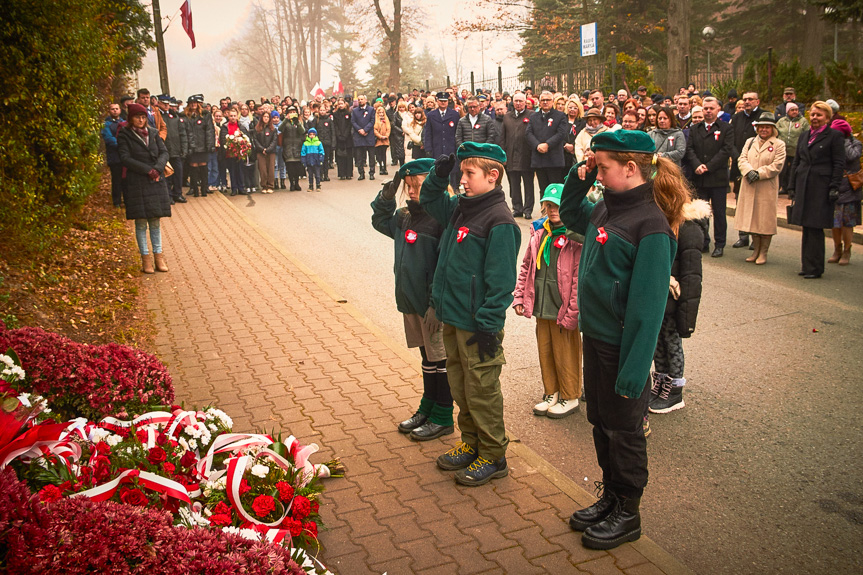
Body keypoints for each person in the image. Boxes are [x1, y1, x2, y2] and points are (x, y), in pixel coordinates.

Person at [560, 130, 688, 550]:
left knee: (625, 430)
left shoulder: (650, 225)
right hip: (596, 338)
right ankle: (611, 497)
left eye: (602, 167)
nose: (597, 174)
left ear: (630, 168)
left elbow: (648, 310)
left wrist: (636, 374)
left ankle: (628, 513)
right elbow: (571, 217)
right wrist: (579, 180)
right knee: (600, 421)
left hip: (623, 347)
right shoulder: (605, 208)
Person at [420, 142, 520, 487]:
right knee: (461, 387)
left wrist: (489, 326)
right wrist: (437, 175)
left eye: (468, 173)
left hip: (479, 326)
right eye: (461, 172)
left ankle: (493, 455)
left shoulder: (499, 220)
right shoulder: (461, 208)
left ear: (493, 176)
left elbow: (502, 281)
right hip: (455, 319)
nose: (462, 179)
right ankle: (472, 443)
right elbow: (430, 201)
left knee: (482, 390)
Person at [371, 159, 454, 441]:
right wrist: (386, 195)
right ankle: (428, 406)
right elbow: (379, 221)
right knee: (426, 357)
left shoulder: (440, 219)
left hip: (432, 306)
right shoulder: (405, 215)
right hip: (411, 302)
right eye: (408, 187)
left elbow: (444, 267)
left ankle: (443, 416)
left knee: (440, 359)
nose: (412, 191)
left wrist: (435, 304)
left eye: (417, 185)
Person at [513, 183, 583, 419]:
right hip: (542, 304)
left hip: (562, 306)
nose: (553, 211)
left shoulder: (575, 236)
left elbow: (577, 278)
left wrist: (573, 310)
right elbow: (526, 267)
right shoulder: (539, 233)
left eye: (558, 206)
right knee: (546, 350)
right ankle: (551, 392)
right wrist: (520, 295)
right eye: (549, 205)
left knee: (566, 353)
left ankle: (570, 394)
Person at [649, 197, 709, 415]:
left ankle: (675, 391)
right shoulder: (662, 222)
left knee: (672, 342)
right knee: (658, 341)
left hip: (674, 299)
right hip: (659, 295)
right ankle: (661, 382)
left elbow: (692, 275)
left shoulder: (689, 228)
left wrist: (686, 312)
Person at [788, 101, 846, 279]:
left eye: (819, 115)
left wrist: (834, 186)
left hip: (821, 187)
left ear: (827, 118)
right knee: (806, 227)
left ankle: (815, 268)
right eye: (813, 114)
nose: (815, 118)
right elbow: (797, 162)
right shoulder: (805, 135)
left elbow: (838, 163)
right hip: (804, 185)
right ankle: (807, 265)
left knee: (815, 227)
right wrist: (792, 185)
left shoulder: (834, 136)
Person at [117, 103, 172, 274]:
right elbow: (125, 158)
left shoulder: (154, 133)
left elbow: (164, 152)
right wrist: (147, 170)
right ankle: (145, 259)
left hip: (156, 180)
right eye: (137, 117)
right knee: (141, 223)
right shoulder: (125, 134)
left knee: (155, 221)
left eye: (143, 117)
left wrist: (157, 168)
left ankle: (159, 257)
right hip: (137, 181)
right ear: (131, 118)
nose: (141, 120)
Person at [685, 97, 734, 257]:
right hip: (699, 177)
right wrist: (697, 165)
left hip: (717, 177)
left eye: (711, 108)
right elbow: (690, 149)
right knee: (700, 212)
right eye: (705, 108)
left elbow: (726, 150)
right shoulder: (695, 129)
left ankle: (719, 244)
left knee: (719, 212)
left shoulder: (726, 128)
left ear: (718, 109)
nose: (708, 111)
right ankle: (703, 241)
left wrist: (709, 166)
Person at [735, 113, 786, 264]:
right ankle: (755, 250)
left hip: (766, 187)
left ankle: (763, 252)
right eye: (761, 127)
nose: (764, 130)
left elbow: (777, 165)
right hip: (749, 185)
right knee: (753, 220)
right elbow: (742, 158)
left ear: (773, 129)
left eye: (767, 127)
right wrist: (748, 171)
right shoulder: (750, 141)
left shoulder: (779, 144)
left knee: (765, 221)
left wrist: (758, 173)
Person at [729, 92, 765, 249]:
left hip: (758, 167)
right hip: (739, 165)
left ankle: (756, 236)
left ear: (757, 101)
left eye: (750, 99)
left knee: (757, 203)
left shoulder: (764, 116)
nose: (747, 102)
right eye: (745, 99)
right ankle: (743, 236)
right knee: (740, 201)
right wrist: (738, 158)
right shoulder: (737, 118)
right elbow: (729, 141)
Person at [827, 119, 861, 266]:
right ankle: (837, 249)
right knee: (834, 221)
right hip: (835, 185)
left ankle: (847, 249)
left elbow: (852, 156)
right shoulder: (831, 142)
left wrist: (845, 140)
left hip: (851, 187)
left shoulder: (856, 144)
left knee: (847, 222)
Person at [526, 90, 570, 201]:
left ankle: (557, 214)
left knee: (555, 189)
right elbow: (528, 133)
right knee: (543, 189)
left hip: (554, 159)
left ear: (552, 101)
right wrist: (537, 145)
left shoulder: (561, 116)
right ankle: (544, 213)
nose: (545, 102)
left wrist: (547, 145)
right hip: (539, 158)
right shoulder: (533, 116)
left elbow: (561, 133)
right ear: (539, 102)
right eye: (543, 100)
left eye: (548, 100)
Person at [500, 92, 536, 219]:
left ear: (525, 102)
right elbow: (502, 137)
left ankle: (528, 209)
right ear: (512, 102)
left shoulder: (532, 115)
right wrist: (503, 154)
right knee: (514, 184)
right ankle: (517, 207)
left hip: (526, 156)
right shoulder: (507, 117)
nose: (518, 103)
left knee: (528, 184)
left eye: (521, 101)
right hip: (511, 156)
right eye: (516, 101)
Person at [423, 92, 461, 189]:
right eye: (441, 101)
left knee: (452, 173)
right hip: (437, 148)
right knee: (438, 172)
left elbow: (458, 132)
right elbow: (428, 133)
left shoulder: (455, 115)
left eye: (445, 101)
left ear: (448, 102)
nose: (443, 103)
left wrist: (458, 148)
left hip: (451, 148)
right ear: (437, 101)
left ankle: (452, 193)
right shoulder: (431, 115)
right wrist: (428, 148)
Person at [183, 95, 213, 198]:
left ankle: (204, 189)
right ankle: (195, 190)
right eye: (191, 103)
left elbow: (209, 131)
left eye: (195, 103)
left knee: (203, 167)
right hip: (191, 146)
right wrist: (188, 147)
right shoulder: (185, 116)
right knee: (193, 168)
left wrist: (210, 145)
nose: (193, 105)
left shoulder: (205, 115)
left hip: (203, 145)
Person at [159, 97, 189, 204]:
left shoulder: (175, 117)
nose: (167, 106)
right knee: (167, 175)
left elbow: (183, 135)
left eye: (169, 104)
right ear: (159, 103)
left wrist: (184, 150)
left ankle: (178, 194)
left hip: (176, 151)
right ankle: (168, 196)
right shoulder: (158, 116)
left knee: (178, 174)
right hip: (164, 151)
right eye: (164, 104)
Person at [776, 103, 809, 194]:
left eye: (796, 110)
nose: (795, 112)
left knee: (793, 171)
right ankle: (782, 187)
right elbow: (775, 132)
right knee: (782, 170)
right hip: (783, 151)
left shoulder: (803, 121)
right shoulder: (781, 121)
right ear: (787, 111)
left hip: (796, 151)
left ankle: (792, 189)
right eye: (792, 110)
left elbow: (807, 134)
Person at [220, 109, 250, 196]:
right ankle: (234, 188)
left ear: (237, 116)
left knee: (240, 170)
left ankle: (241, 187)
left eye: (234, 116)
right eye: (231, 116)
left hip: (240, 153)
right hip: (230, 153)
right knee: (232, 171)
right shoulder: (225, 127)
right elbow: (223, 139)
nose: (233, 117)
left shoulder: (241, 126)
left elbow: (246, 137)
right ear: (228, 117)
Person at [101, 103, 125, 207]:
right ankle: (117, 201)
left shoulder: (124, 122)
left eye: (116, 109)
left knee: (126, 179)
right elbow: (109, 138)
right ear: (109, 111)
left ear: (120, 110)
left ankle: (126, 200)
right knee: (116, 179)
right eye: (112, 109)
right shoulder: (106, 124)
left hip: (125, 156)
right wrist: (122, 144)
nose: (115, 111)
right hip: (114, 156)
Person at [280, 106, 307, 191]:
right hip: (288, 147)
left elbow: (303, 131)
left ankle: (297, 183)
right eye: (290, 112)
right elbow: (280, 129)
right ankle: (292, 183)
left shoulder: (299, 122)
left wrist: (298, 122)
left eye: (293, 112)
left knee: (297, 167)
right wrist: (285, 120)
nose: (292, 114)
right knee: (290, 167)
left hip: (297, 146)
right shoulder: (285, 122)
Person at [352, 95, 377, 181]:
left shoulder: (371, 110)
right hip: (359, 136)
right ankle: (361, 173)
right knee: (359, 156)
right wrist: (360, 130)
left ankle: (372, 173)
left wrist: (365, 130)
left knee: (371, 156)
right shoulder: (355, 111)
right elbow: (353, 122)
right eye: (359, 100)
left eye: (362, 99)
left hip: (369, 135)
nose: (360, 101)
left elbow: (372, 121)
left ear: (365, 100)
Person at [254, 110, 279, 194]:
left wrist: (268, 149)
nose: (266, 118)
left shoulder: (273, 129)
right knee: (263, 169)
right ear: (261, 118)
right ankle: (264, 186)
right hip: (260, 152)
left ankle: (270, 185)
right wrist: (262, 149)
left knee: (271, 169)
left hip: (271, 152)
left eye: (268, 117)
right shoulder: (257, 129)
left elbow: (274, 140)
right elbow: (255, 140)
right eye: (264, 117)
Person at [333, 98, 354, 179]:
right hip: (339, 139)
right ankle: (341, 174)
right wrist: (339, 135)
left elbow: (349, 125)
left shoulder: (348, 113)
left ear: (345, 104)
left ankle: (348, 173)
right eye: (339, 104)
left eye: (342, 104)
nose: (341, 105)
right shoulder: (335, 114)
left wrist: (345, 135)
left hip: (347, 138)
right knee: (340, 157)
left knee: (348, 157)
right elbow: (335, 126)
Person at [563, 97, 586, 172]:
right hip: (563, 153)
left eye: (575, 108)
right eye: (570, 107)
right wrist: (565, 145)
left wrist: (573, 146)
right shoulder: (562, 120)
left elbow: (583, 136)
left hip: (575, 154)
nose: (572, 109)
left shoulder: (583, 122)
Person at [301, 127, 325, 192]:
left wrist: (321, 159)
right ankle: (310, 186)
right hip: (309, 161)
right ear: (308, 135)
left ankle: (318, 185)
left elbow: (321, 152)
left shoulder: (318, 143)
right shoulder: (305, 143)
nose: (312, 136)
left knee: (317, 174)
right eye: (310, 134)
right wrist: (304, 161)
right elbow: (303, 153)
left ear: (315, 135)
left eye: (313, 134)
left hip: (316, 161)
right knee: (310, 175)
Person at [373, 105, 391, 176]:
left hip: (385, 140)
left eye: (382, 112)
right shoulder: (376, 120)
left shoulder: (386, 120)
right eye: (379, 113)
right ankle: (381, 167)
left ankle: (385, 168)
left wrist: (386, 136)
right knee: (379, 155)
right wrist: (380, 136)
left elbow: (389, 128)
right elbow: (375, 130)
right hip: (378, 140)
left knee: (384, 154)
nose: (381, 114)